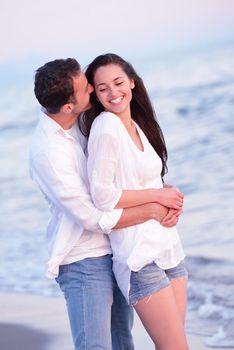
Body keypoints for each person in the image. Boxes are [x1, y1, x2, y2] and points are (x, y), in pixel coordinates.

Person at [29, 58, 178, 350]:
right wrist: (152, 209)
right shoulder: (48, 152)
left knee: (123, 343)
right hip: (83, 259)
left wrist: (159, 190)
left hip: (114, 249)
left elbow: (118, 175)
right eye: (87, 87)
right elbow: (91, 217)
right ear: (69, 105)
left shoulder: (80, 122)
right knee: (95, 347)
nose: (93, 90)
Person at [80, 53, 189, 350]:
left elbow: (143, 180)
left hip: (169, 247)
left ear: (132, 81)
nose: (113, 92)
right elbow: (102, 196)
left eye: (118, 83)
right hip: (140, 257)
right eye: (103, 88)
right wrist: (157, 197)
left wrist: (169, 194)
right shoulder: (105, 126)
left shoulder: (138, 125)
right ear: (96, 95)